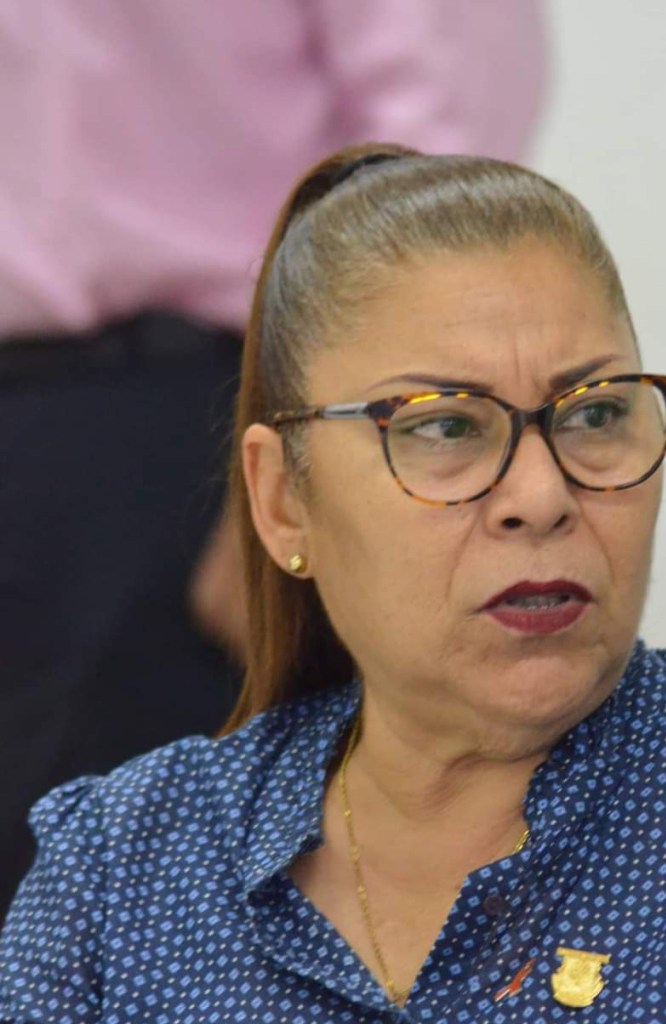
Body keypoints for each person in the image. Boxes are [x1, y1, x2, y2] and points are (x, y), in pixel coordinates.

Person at [1, 145, 666, 1023]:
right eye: (443, 427)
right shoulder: (120, 878)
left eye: (596, 414)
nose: (541, 497)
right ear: (281, 502)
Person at [0, 1, 545, 918]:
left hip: (200, 424)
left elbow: (440, 145)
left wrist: (301, 470)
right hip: (49, 427)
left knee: (115, 913)